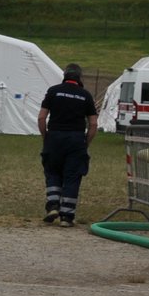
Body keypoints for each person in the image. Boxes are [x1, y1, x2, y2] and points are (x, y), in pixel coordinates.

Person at [39, 63, 99, 227]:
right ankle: (66, 216)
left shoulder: (53, 91)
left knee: (53, 172)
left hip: (54, 138)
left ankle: (52, 206)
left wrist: (46, 136)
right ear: (79, 78)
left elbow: (42, 118)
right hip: (76, 139)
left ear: (64, 76)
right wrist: (85, 143)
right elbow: (93, 124)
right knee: (72, 176)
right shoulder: (85, 95)